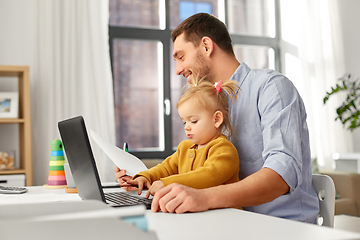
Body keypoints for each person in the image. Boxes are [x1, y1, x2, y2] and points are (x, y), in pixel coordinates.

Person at [116, 13, 319, 223]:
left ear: (206, 46)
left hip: (281, 226)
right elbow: (183, 165)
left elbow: (281, 176)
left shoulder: (271, 87)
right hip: (227, 221)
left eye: (181, 57)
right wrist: (144, 178)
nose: (177, 70)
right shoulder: (207, 104)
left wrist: (202, 197)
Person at [118, 76, 241, 199]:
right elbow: (165, 168)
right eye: (184, 122)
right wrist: (145, 177)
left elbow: (208, 176)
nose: (187, 127)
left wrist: (167, 183)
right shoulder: (184, 147)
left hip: (225, 214)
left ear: (217, 119)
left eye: (193, 121)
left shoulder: (224, 149)